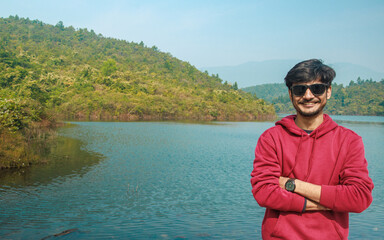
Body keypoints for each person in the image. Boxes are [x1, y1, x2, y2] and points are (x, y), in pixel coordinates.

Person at [250, 59, 374, 239]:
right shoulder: (272, 138)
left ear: (328, 92)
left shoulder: (349, 141)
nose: (308, 96)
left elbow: (359, 197)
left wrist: (293, 184)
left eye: (317, 89)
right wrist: (327, 202)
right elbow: (264, 193)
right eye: (300, 89)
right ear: (290, 94)